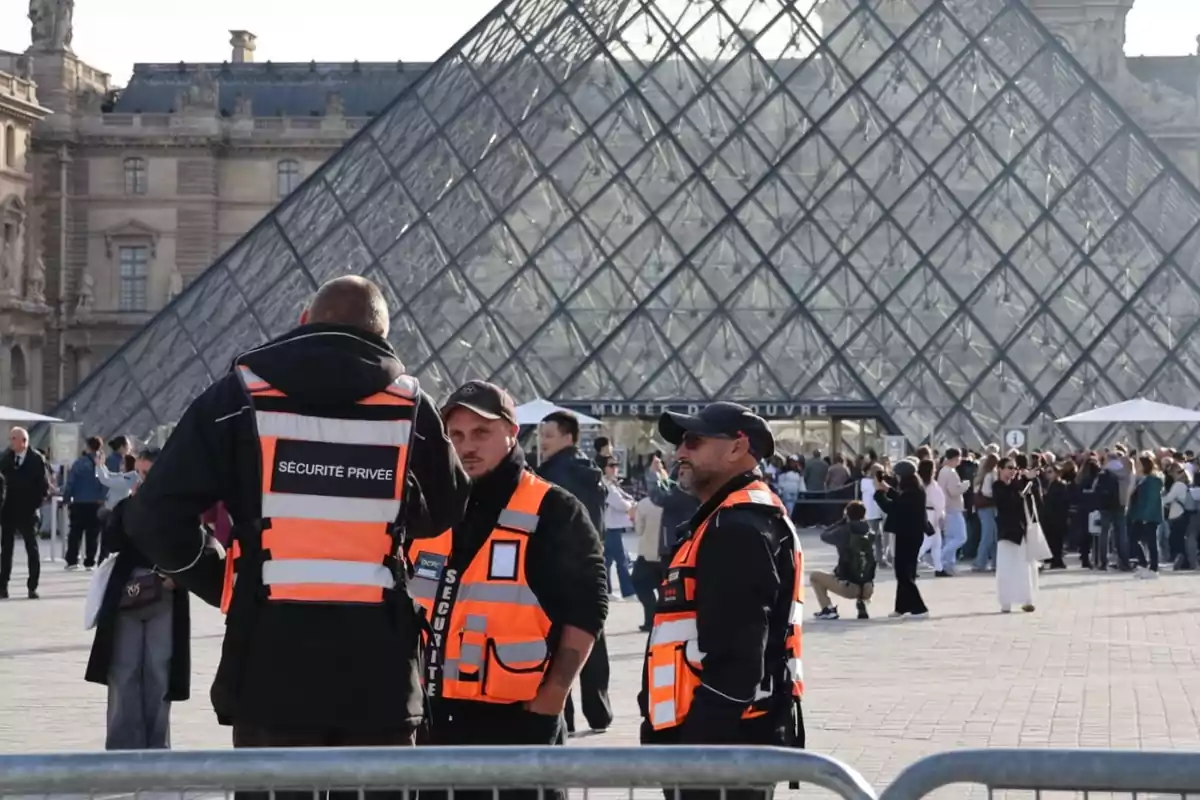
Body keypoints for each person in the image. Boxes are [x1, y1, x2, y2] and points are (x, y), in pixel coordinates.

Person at [125, 276, 470, 755]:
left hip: (268, 656)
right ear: (381, 336)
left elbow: (154, 514)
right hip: (379, 666)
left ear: (304, 321)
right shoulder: (411, 408)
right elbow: (447, 509)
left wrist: (219, 578)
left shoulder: (237, 397)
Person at [407, 382, 606, 800]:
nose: (467, 447)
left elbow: (588, 609)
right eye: (456, 435)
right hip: (434, 726)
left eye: (482, 433)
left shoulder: (554, 508)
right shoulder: (433, 509)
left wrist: (552, 699)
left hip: (518, 726)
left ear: (512, 432)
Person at [640, 402, 804, 787]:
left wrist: (695, 752)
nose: (680, 452)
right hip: (727, 742)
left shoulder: (736, 529)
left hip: (717, 753)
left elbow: (738, 661)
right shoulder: (733, 518)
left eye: (693, 441)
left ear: (737, 448)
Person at [86, 447, 190, 750]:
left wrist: (177, 578)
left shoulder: (179, 508)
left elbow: (197, 546)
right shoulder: (127, 506)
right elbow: (111, 543)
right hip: (126, 596)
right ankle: (122, 747)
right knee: (124, 670)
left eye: (150, 473)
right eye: (141, 473)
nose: (145, 479)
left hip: (165, 597)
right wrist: (127, 507)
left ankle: (157, 747)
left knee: (159, 672)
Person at [536, 411, 612, 734]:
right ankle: (600, 711)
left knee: (557, 644)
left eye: (548, 435)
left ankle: (561, 715)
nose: (542, 441)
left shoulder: (550, 475)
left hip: (556, 567)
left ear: (568, 436)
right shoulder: (592, 473)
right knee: (592, 639)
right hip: (591, 566)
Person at [874, 471, 929, 617]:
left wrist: (879, 494)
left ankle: (919, 607)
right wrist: (888, 490)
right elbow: (899, 499)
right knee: (905, 572)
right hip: (912, 534)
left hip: (907, 535)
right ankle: (901, 606)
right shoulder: (916, 491)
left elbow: (892, 507)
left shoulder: (911, 494)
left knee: (903, 573)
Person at [810, 500, 876, 621]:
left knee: (814, 576)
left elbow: (824, 535)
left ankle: (827, 609)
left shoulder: (844, 531)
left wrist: (841, 522)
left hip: (849, 588)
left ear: (847, 515)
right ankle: (862, 604)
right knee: (860, 565)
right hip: (868, 588)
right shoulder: (869, 532)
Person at [0, 427, 45, 599]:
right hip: (8, 510)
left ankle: (32, 586)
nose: (10, 442)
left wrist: (34, 505)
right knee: (6, 549)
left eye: (13, 439)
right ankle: (3, 585)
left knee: (31, 548)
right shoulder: (6, 458)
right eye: (10, 438)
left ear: (23, 441)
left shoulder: (36, 459)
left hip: (28, 511)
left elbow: (43, 486)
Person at [992, 458, 1037, 613]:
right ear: (1000, 469)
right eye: (1009, 468)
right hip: (1006, 533)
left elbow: (1030, 501)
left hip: (1021, 531)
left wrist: (1027, 482)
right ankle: (1005, 602)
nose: (1012, 471)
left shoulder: (1017, 484)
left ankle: (1027, 599)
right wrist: (1023, 481)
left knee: (1024, 567)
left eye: (1014, 468)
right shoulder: (998, 486)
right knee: (1006, 568)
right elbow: (1008, 502)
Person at [64, 436, 108, 570]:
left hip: (79, 502)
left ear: (87, 447)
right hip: (96, 503)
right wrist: (102, 498)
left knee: (75, 533)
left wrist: (67, 498)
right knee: (93, 534)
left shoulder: (79, 463)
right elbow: (105, 482)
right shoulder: (101, 464)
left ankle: (72, 560)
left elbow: (70, 482)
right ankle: (90, 561)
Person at [600, 456, 636, 599]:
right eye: (611, 465)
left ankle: (606, 591)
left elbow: (627, 499)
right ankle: (628, 592)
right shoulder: (605, 485)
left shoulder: (613, 484)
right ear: (604, 468)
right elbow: (619, 503)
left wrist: (631, 504)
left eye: (616, 465)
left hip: (613, 527)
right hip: (610, 527)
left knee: (607, 561)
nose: (615, 468)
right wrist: (631, 507)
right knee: (621, 561)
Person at [1128, 454, 1164, 578]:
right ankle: (1143, 564)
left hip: (1148, 516)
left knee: (1151, 542)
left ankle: (1154, 568)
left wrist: (1146, 516)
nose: (1136, 466)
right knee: (1134, 539)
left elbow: (1151, 500)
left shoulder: (1152, 480)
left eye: (1138, 464)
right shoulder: (1143, 479)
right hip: (1140, 515)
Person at [631, 491, 664, 632]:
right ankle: (661, 618)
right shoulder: (680, 502)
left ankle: (650, 618)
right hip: (669, 553)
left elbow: (639, 530)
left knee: (640, 583)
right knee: (664, 586)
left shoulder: (644, 504)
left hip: (648, 553)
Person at [937, 448, 970, 573]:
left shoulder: (942, 471)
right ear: (956, 458)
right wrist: (964, 486)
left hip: (945, 507)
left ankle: (948, 564)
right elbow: (953, 491)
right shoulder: (951, 472)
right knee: (961, 537)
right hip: (953, 508)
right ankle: (941, 556)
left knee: (950, 537)